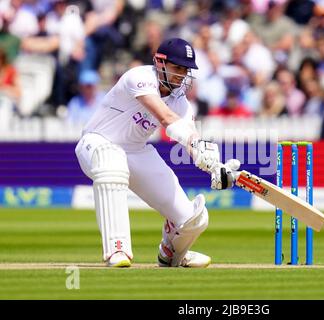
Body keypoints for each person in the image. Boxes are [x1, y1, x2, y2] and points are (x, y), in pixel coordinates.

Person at [75, 38, 240, 268]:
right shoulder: (139, 77)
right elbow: (165, 118)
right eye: (177, 68)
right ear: (160, 63)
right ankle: (117, 249)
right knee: (111, 162)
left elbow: (190, 138)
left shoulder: (180, 102)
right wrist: (195, 142)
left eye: (186, 70)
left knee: (195, 219)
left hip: (137, 152)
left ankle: (172, 252)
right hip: (97, 142)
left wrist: (214, 165)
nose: (181, 75)